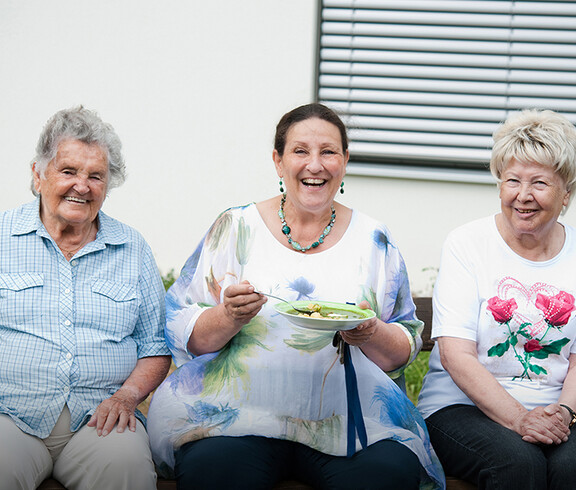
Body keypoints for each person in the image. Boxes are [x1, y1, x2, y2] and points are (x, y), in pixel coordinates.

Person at [147, 103, 444, 489]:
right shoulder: (235, 227)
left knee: (385, 474)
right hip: (236, 416)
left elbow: (402, 347)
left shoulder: (374, 240)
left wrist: (369, 331)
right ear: (278, 160)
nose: (315, 165)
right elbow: (188, 332)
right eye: (300, 151)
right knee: (215, 471)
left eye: (328, 151)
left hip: (352, 423)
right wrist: (229, 317)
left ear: (345, 160)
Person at [0, 106, 172, 490]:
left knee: (126, 468)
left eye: (96, 176)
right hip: (9, 415)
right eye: (69, 171)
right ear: (38, 174)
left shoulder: (132, 248)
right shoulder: (2, 237)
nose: (83, 185)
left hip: (100, 420)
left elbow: (155, 346)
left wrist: (127, 397)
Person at [418, 109, 576, 489]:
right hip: (461, 407)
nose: (523, 196)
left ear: (566, 192)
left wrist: (566, 413)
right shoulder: (467, 244)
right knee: (519, 465)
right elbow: (456, 354)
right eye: (512, 181)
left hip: (556, 408)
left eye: (539, 182)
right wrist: (520, 418)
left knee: (570, 468)